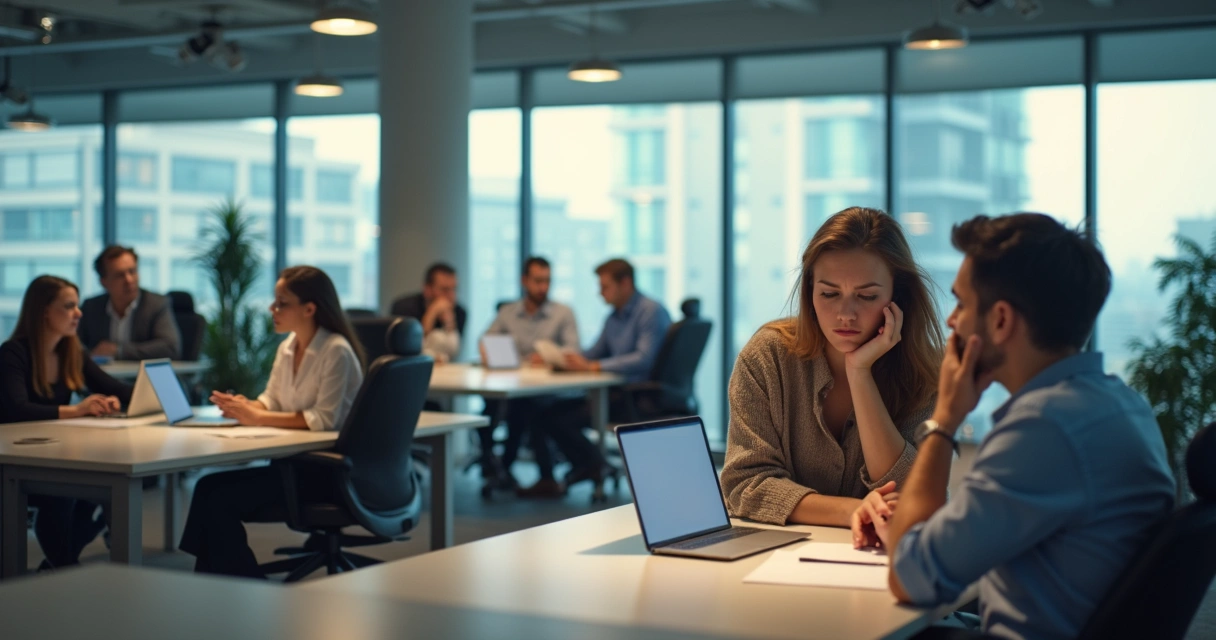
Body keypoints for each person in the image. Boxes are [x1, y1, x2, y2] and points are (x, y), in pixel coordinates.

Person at [855, 214, 1175, 640]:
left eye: (963, 304)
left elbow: (910, 577)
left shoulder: (1043, 430)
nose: (952, 322)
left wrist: (946, 419)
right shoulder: (1122, 404)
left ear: (1001, 321)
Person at [720, 207, 943, 527]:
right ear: (810, 291)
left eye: (866, 296)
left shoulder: (925, 373)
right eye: (829, 293)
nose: (845, 314)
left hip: (880, 563)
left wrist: (860, 373)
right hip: (778, 559)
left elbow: (916, 495)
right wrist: (853, 511)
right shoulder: (768, 357)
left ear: (898, 294)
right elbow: (745, 485)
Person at [179, 266, 366, 578]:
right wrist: (246, 407)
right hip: (292, 467)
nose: (272, 309)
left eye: (282, 303)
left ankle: (241, 584)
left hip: (326, 475)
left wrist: (259, 416)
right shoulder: (288, 346)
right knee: (208, 491)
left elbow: (324, 420)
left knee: (215, 497)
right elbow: (273, 400)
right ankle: (227, 584)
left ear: (309, 309)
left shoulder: (336, 350)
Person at [0, 275, 133, 569]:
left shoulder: (71, 351)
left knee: (101, 488)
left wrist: (119, 401)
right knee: (62, 494)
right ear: (44, 311)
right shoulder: (14, 353)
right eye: (69, 306)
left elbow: (119, 389)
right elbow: (17, 409)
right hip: (15, 460)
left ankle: (61, 566)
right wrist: (77, 410)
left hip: (52, 451)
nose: (79, 313)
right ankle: (62, 565)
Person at [536, 258, 672, 490]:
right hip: (617, 395)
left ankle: (593, 464)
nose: (600, 294)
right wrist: (567, 359)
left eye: (605, 287)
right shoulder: (613, 317)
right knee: (546, 411)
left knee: (557, 418)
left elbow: (643, 358)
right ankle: (593, 464)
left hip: (639, 398)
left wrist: (594, 367)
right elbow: (594, 352)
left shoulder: (650, 311)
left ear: (625, 283)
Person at [479, 256, 580, 497]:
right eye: (537, 281)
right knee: (493, 408)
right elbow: (487, 340)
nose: (543, 287)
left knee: (524, 407)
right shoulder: (508, 312)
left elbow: (573, 350)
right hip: (513, 384)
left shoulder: (562, 313)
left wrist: (548, 357)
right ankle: (500, 467)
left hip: (551, 389)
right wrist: (488, 351)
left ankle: (504, 468)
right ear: (524, 281)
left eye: (547, 281)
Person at [78, 245, 181, 361]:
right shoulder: (91, 307)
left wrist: (118, 350)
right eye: (119, 275)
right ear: (104, 282)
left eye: (132, 271)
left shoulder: (156, 304)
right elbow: (74, 345)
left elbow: (170, 347)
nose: (129, 280)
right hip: (102, 376)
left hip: (143, 376)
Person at [390, 262, 466, 363]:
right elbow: (409, 348)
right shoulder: (404, 308)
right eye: (445, 290)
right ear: (427, 289)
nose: (451, 296)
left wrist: (450, 323)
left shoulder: (460, 312)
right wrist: (432, 313)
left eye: (454, 289)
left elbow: (453, 352)